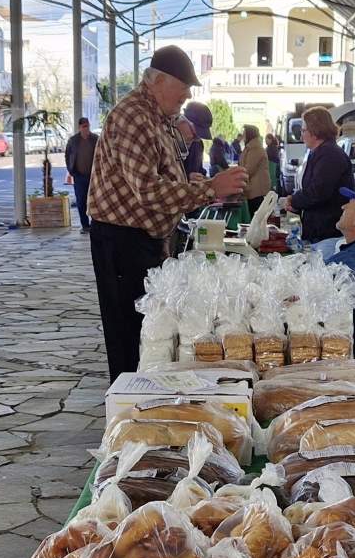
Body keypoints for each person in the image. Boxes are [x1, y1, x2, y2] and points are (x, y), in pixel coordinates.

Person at [89, 46, 248, 381]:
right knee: (130, 336)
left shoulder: (157, 117)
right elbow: (147, 190)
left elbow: (157, 177)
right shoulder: (133, 116)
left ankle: (144, 404)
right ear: (158, 81)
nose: (187, 94)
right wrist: (209, 190)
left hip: (141, 240)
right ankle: (128, 414)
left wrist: (189, 182)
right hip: (122, 242)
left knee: (151, 333)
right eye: (183, 86)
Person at [283, 106, 355, 243]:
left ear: (315, 131)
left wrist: (294, 200)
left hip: (328, 232)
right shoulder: (319, 153)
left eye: (303, 130)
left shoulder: (330, 155)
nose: (301, 135)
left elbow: (318, 192)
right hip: (319, 229)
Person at [65, 117, 99, 233]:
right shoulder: (73, 141)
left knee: (95, 200)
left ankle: (95, 223)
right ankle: (85, 225)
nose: (86, 129)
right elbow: (67, 155)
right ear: (79, 127)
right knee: (81, 201)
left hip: (94, 176)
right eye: (84, 126)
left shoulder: (95, 139)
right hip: (79, 176)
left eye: (87, 126)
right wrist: (71, 170)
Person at [239, 125, 271, 212]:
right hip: (253, 189)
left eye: (244, 134)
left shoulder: (256, 149)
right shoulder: (250, 148)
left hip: (257, 190)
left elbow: (248, 169)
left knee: (256, 217)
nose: (243, 136)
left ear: (249, 134)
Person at [181, 102, 212, 178]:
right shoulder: (167, 141)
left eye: (199, 136)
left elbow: (200, 170)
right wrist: (187, 177)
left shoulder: (198, 144)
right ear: (182, 121)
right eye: (195, 134)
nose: (195, 139)